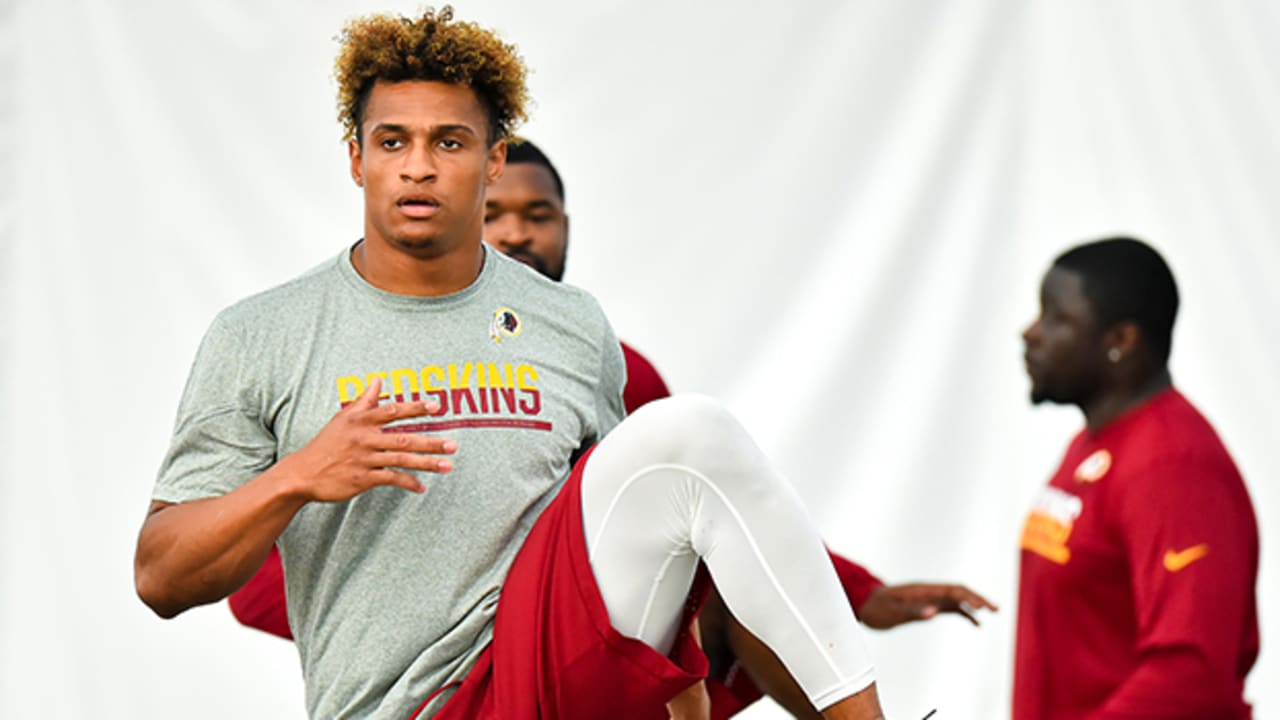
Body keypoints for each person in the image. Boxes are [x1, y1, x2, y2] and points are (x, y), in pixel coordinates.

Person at [135, 8, 885, 719]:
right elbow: (161, 578)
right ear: (357, 158)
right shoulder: (262, 333)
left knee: (690, 433)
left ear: (494, 160)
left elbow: (648, 538)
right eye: (393, 142)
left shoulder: (572, 324)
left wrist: (684, 689)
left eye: (450, 142)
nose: (419, 168)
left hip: (546, 674)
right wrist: (299, 475)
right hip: (398, 704)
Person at [1016, 237, 1259, 719]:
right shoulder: (1096, 446)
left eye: (1056, 318)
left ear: (1121, 341)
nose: (1030, 332)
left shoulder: (1175, 466)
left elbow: (1191, 676)